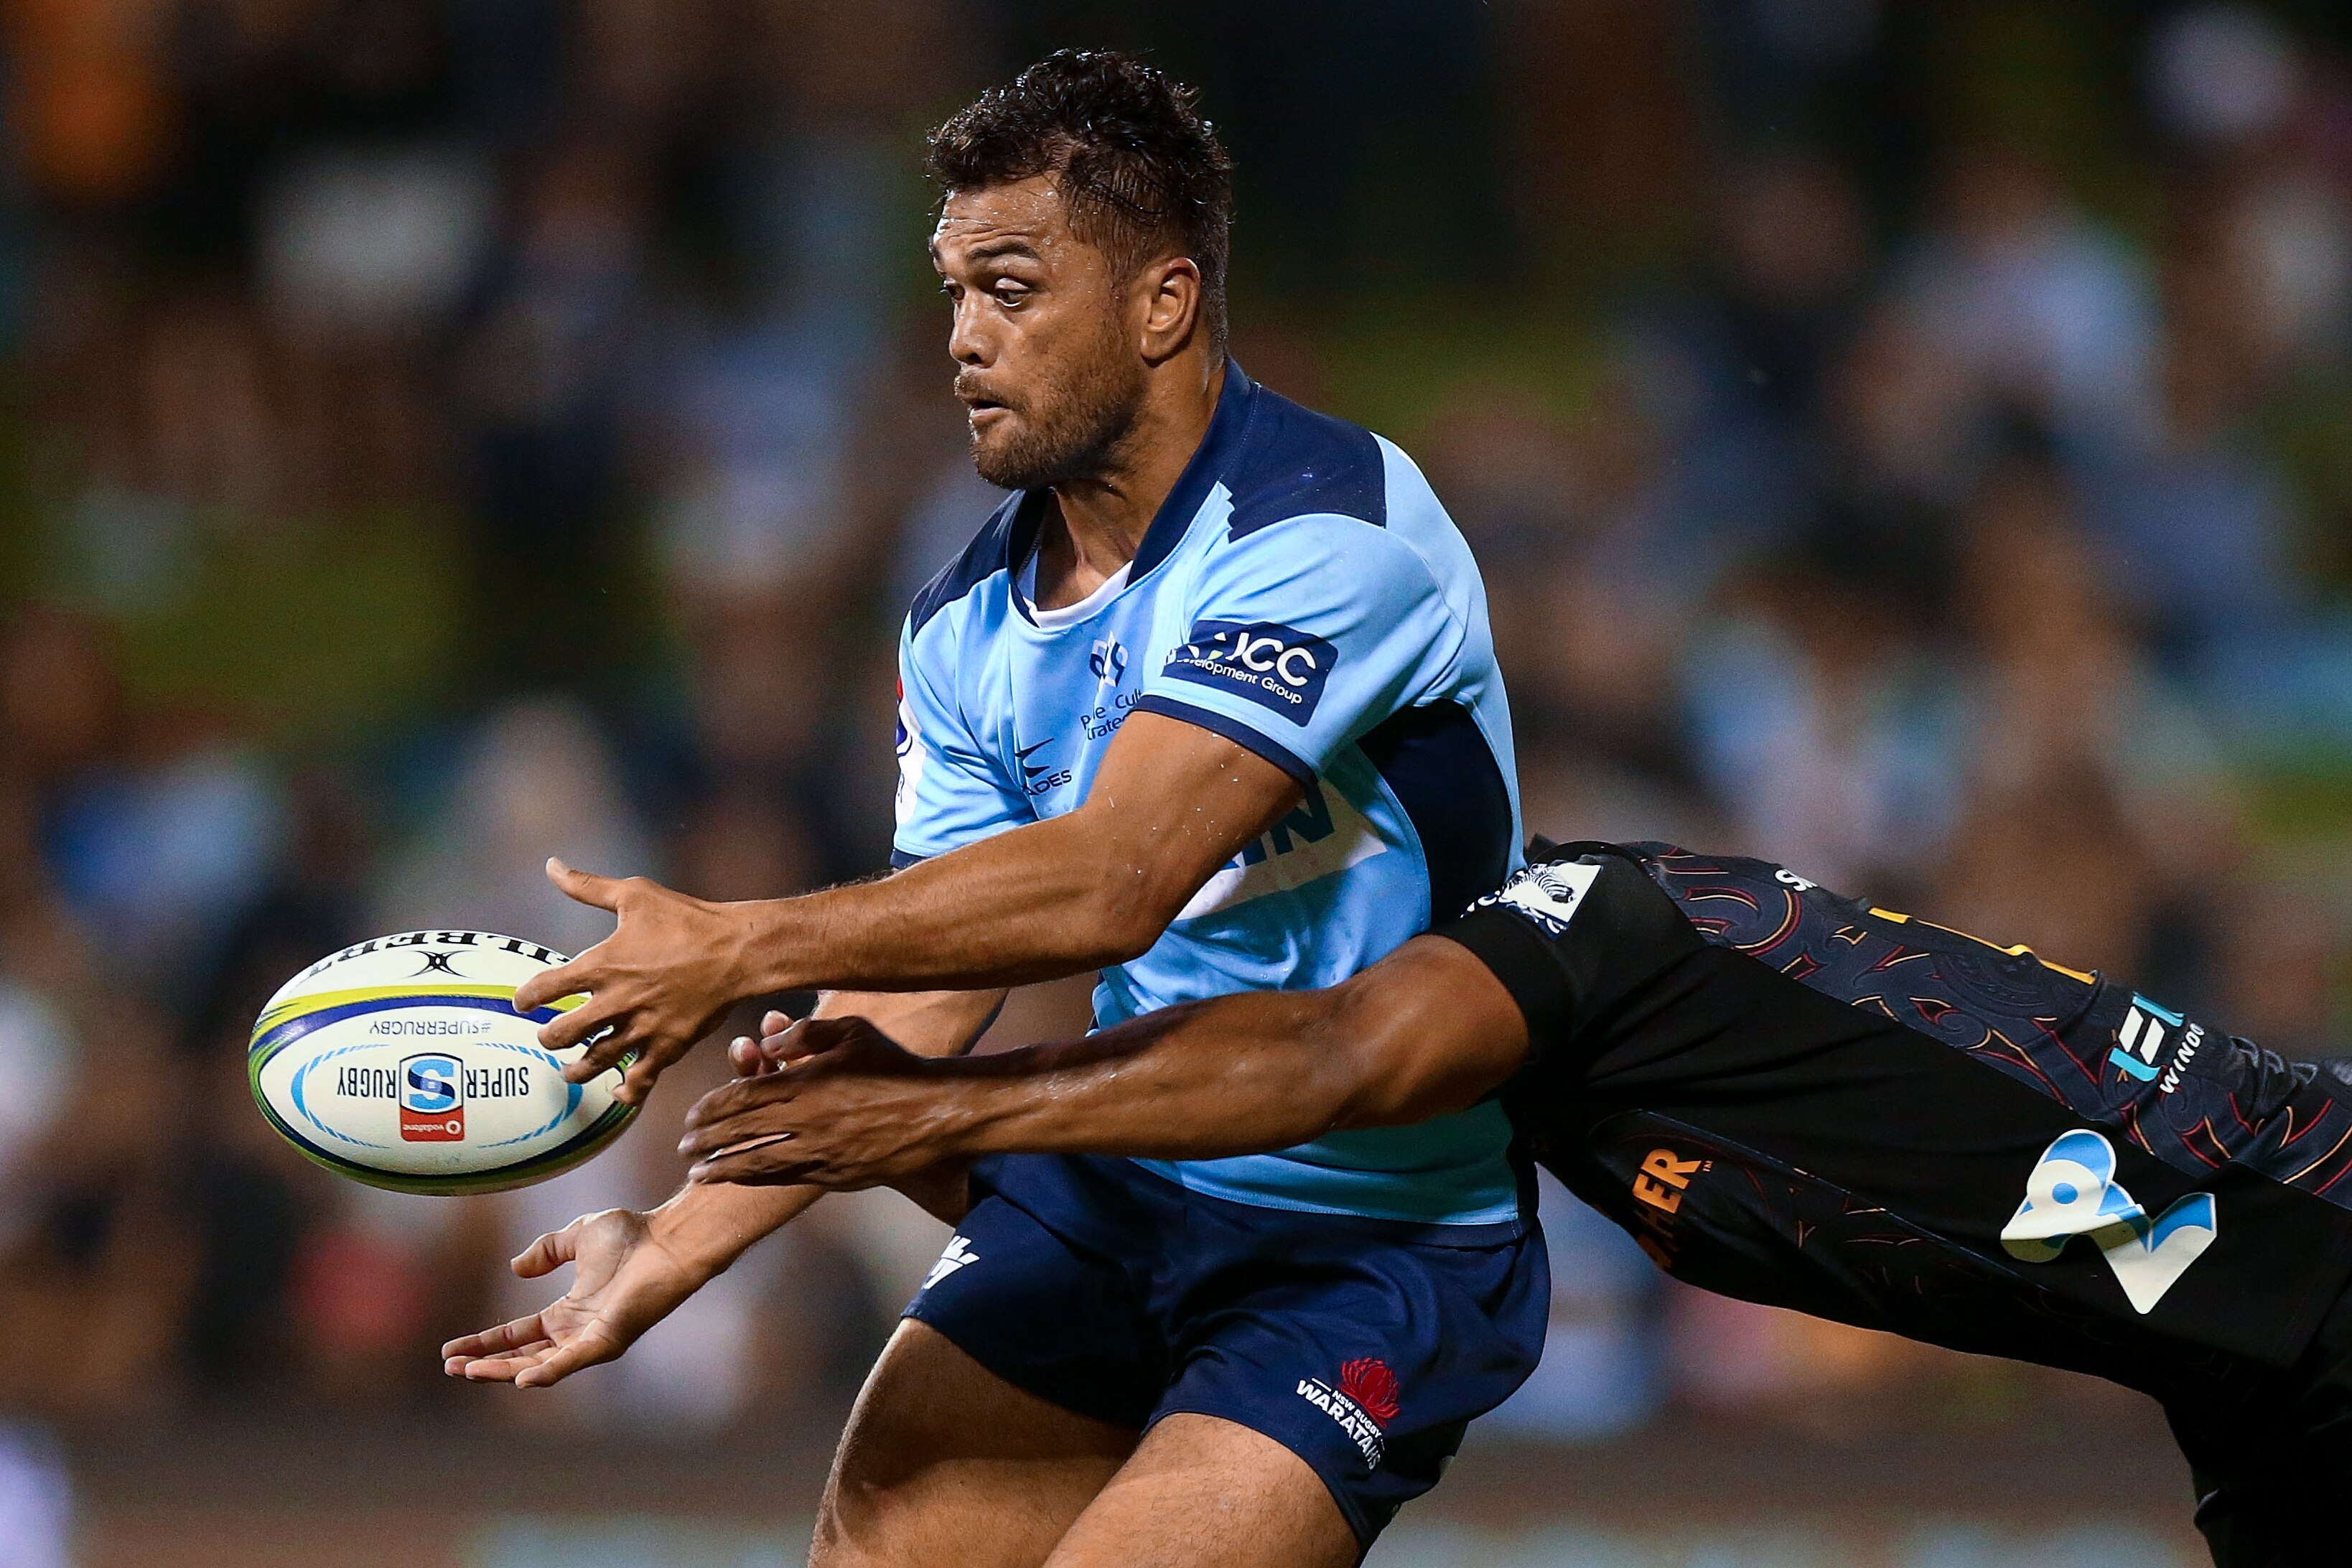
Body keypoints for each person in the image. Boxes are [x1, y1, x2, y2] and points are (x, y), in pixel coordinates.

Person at [445, 51, 1546, 1568]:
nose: (963, 338)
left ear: (1162, 306)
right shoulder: (963, 629)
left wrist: (736, 943)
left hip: (1371, 1231)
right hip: (1116, 1171)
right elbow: (932, 978)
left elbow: (1115, 883)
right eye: (954, 291)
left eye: (1013, 290)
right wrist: (680, 1240)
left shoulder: (1325, 530)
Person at [678, 837, 2352, 1568]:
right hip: (2246, 1387)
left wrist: (921, 1091)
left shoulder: (1565, 932)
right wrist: (873, 1145)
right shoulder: (1463, 1096)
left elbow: (1318, 1063)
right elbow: (1187, 1198)